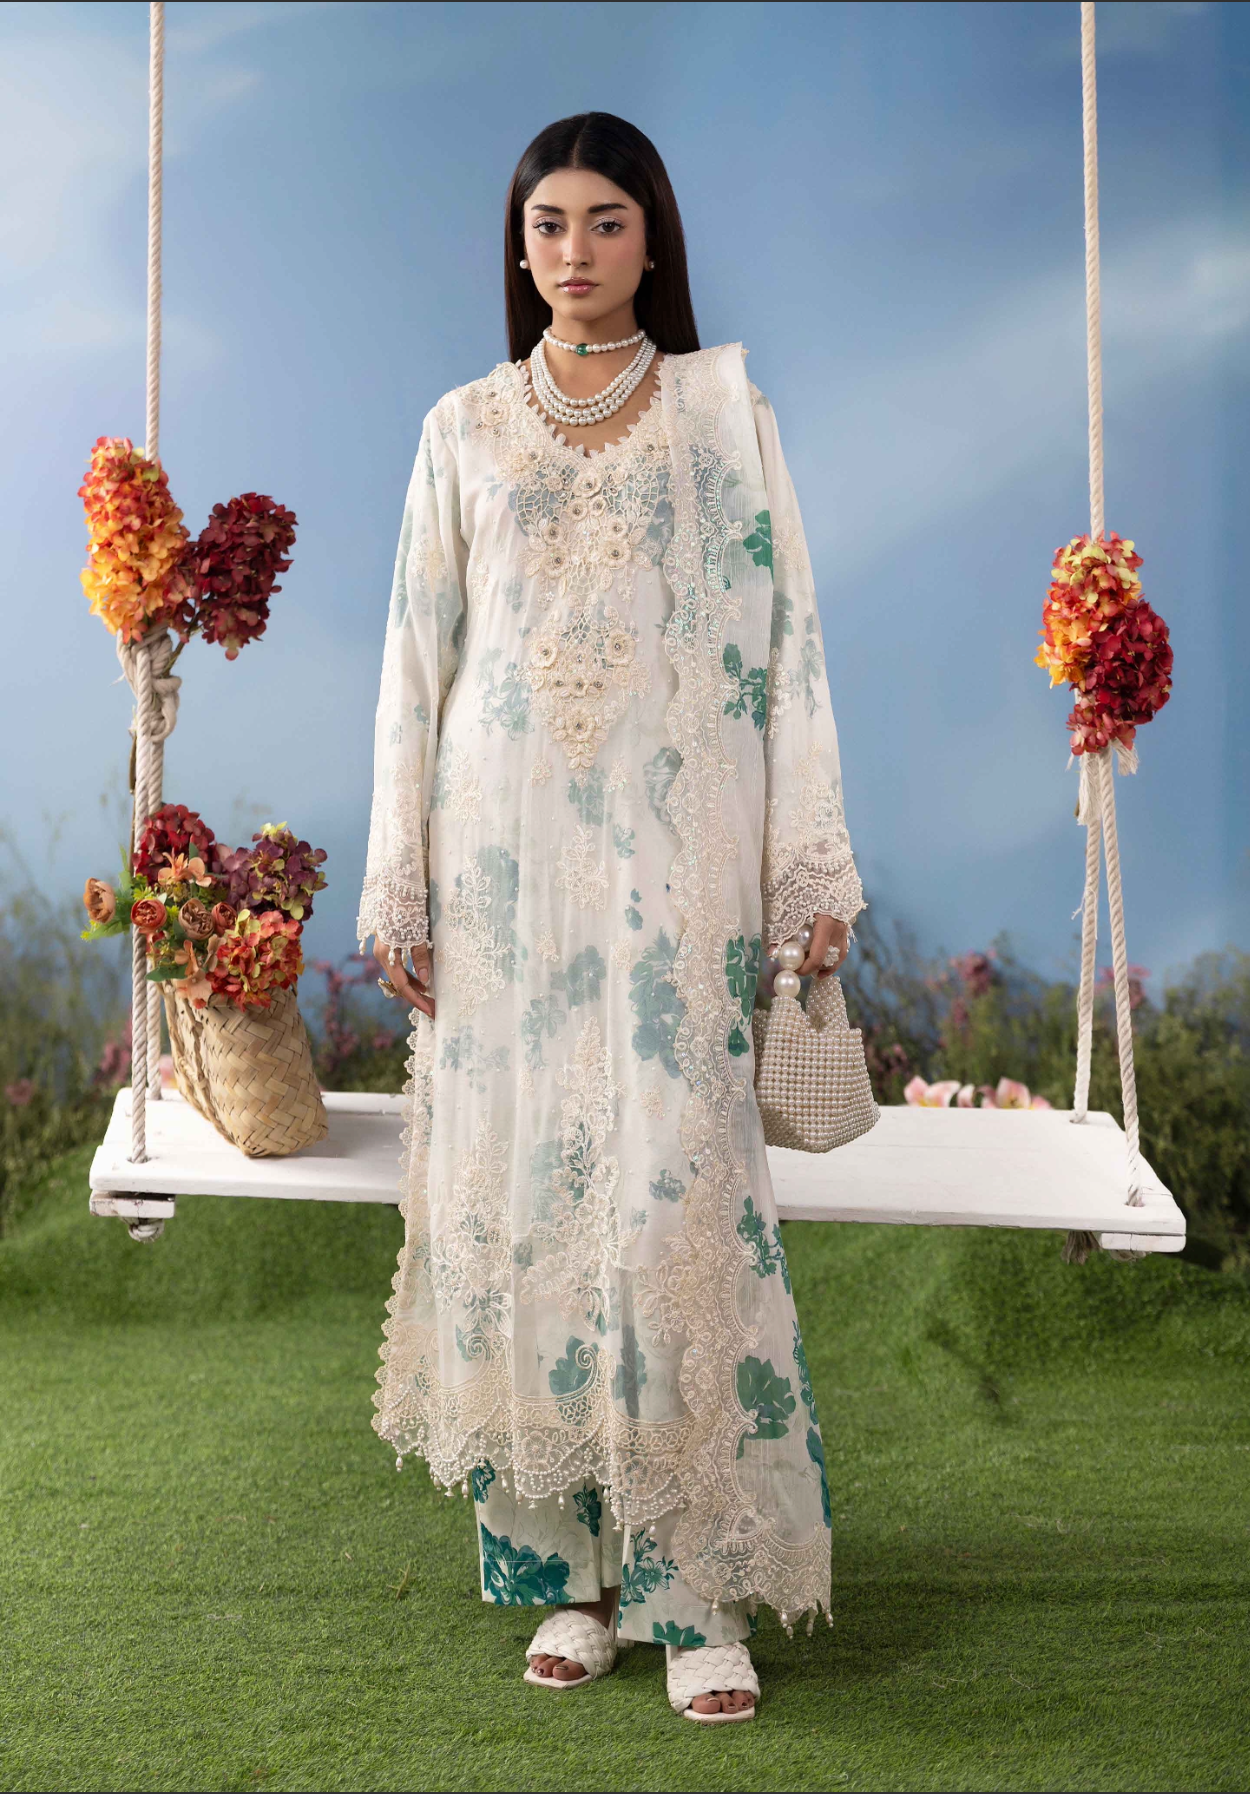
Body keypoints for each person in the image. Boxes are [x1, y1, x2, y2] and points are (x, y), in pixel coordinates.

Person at [358, 111, 864, 1725]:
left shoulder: (723, 417)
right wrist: (398, 875)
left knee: (669, 1206)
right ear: (518, 249)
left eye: (605, 222)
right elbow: (415, 663)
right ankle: (563, 1576)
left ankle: (692, 1587)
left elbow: (786, 647)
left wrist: (806, 872)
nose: (573, 253)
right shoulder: (460, 430)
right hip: (501, 883)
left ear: (654, 239)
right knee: (521, 1203)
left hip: (674, 877)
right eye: (548, 225)